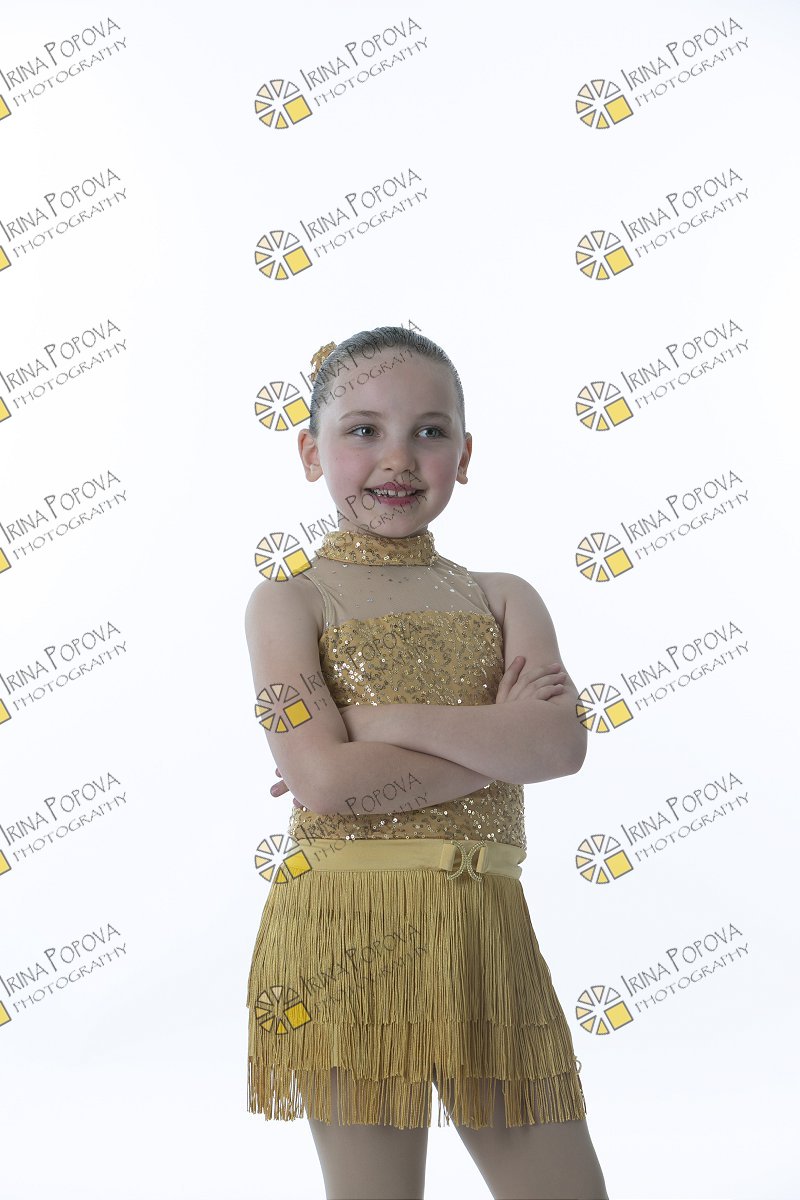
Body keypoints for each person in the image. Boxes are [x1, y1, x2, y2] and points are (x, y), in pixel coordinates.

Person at [244, 326, 609, 1200]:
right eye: (363, 430)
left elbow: (559, 747)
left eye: (430, 431)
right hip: (343, 931)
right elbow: (324, 782)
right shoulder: (288, 602)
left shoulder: (504, 597)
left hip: (487, 928)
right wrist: (499, 737)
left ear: (465, 454)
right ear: (311, 453)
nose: (398, 458)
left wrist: (371, 722)